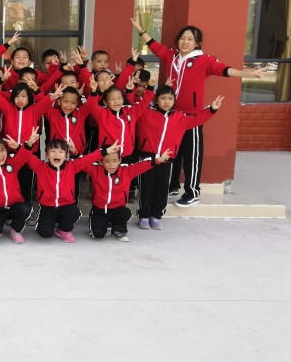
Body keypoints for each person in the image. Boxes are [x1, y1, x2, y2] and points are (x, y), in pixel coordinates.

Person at [132, 14, 263, 207]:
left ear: (197, 43)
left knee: (192, 155)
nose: (185, 42)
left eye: (190, 39)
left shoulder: (204, 60)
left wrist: (248, 73)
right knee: (172, 151)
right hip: (170, 114)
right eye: (182, 38)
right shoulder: (172, 56)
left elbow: (224, 70)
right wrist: (140, 29)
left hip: (191, 116)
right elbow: (155, 46)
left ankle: (192, 192)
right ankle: (172, 186)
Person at [135, 86, 223, 228]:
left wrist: (212, 109)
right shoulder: (146, 113)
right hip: (146, 158)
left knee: (162, 189)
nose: (166, 102)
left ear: (174, 101)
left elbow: (197, 120)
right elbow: (134, 110)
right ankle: (144, 215)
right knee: (146, 188)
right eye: (163, 98)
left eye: (170, 99)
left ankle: (156, 215)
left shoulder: (179, 117)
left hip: (166, 159)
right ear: (156, 100)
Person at [17, 128, 121, 243]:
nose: (57, 154)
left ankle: (63, 230)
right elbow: (26, 156)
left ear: (66, 156)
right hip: (47, 207)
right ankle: (46, 222)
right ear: (47, 156)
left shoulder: (72, 166)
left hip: (66, 206)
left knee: (74, 212)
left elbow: (89, 158)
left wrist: (106, 151)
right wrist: (28, 145)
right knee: (45, 233)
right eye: (53, 151)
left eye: (61, 152)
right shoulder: (40, 167)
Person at [87, 148, 171, 241]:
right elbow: (82, 162)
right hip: (100, 209)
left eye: (114, 161)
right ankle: (102, 222)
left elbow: (141, 165)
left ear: (120, 160)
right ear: (101, 161)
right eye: (107, 161)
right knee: (97, 235)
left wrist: (158, 160)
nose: (111, 164)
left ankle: (118, 229)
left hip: (118, 208)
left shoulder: (126, 170)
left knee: (125, 213)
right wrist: (77, 152)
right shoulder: (95, 170)